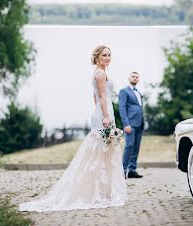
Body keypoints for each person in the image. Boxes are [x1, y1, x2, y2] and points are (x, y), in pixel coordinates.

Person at [19, 45, 127, 211]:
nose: (108, 58)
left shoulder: (99, 73)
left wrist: (101, 111)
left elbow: (95, 97)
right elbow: (103, 97)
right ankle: (97, 193)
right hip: (104, 114)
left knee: (104, 153)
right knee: (100, 153)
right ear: (98, 57)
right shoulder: (100, 74)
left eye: (109, 55)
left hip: (102, 112)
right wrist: (105, 116)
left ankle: (104, 192)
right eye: (104, 55)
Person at [119, 71, 144, 179]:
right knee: (129, 146)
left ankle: (132, 170)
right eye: (133, 76)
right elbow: (122, 108)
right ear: (129, 78)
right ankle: (123, 170)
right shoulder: (124, 91)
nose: (135, 78)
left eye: (137, 77)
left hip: (140, 123)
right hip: (130, 124)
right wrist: (126, 124)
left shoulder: (138, 92)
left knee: (136, 147)